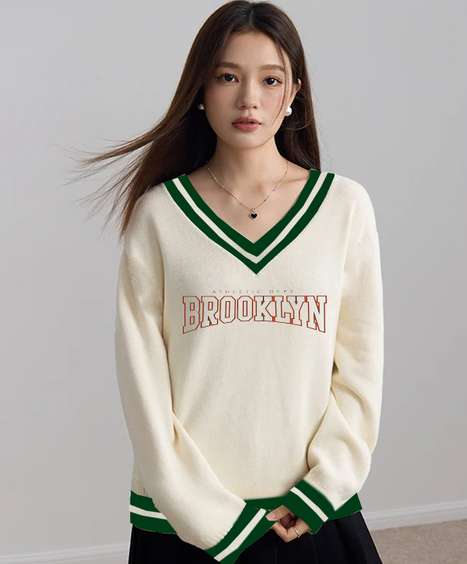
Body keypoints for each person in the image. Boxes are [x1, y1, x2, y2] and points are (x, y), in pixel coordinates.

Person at [76, 2, 385, 562]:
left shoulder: (343, 207)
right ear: (200, 89)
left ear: (294, 94)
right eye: (227, 77)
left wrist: (325, 485)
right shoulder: (160, 214)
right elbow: (143, 383)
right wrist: (200, 510)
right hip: (185, 520)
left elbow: (360, 370)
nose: (249, 99)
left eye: (270, 80)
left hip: (309, 511)